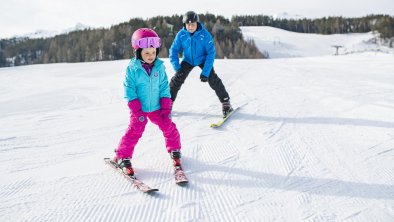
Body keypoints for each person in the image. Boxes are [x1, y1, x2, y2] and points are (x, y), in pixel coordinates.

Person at [114, 28, 182, 175]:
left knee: (169, 126)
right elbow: (129, 89)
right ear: (138, 52)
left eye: (153, 52)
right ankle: (122, 156)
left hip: (158, 107)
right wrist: (136, 108)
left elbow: (164, 86)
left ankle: (175, 149)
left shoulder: (159, 67)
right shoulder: (133, 69)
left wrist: (165, 106)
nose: (151, 56)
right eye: (146, 53)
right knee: (134, 131)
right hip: (140, 109)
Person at [169, 11, 233, 118]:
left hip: (202, 59)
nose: (190, 26)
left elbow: (211, 53)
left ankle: (226, 103)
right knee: (176, 80)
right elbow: (173, 51)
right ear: (185, 24)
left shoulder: (205, 34)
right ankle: (167, 104)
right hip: (188, 60)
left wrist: (206, 72)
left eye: (193, 24)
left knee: (213, 79)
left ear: (197, 23)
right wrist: (177, 68)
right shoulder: (181, 34)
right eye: (188, 24)